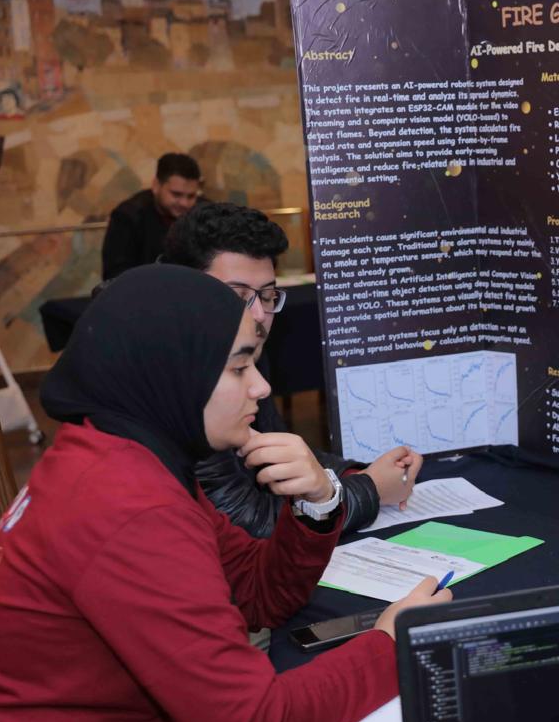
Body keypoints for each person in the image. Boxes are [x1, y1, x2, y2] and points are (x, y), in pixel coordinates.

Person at [0, 265, 448, 722]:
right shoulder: (128, 505)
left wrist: (319, 504)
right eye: (239, 368)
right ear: (175, 372)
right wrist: (389, 645)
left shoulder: (124, 452)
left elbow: (258, 595)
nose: (262, 388)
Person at [158, 201, 420, 538]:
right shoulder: (170, 376)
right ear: (184, 291)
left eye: (267, 295)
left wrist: (358, 473)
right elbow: (246, 526)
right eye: (236, 295)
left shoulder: (246, 348)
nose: (257, 315)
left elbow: (277, 451)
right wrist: (371, 489)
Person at [101, 153, 203, 281]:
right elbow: (115, 274)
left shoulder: (203, 213)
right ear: (156, 186)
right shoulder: (127, 217)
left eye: (191, 196)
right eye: (176, 194)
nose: (184, 203)